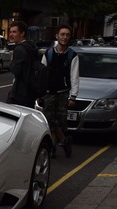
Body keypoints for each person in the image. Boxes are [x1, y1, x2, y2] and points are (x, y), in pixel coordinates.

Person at [40, 24, 79, 158]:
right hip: (49, 93)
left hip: (63, 93)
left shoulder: (72, 55)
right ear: (57, 36)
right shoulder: (48, 53)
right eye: (62, 34)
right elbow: (42, 73)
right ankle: (64, 141)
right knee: (49, 120)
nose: (65, 37)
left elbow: (74, 77)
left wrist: (73, 96)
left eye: (67, 35)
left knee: (60, 121)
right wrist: (40, 92)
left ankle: (53, 148)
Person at [6, 20, 39, 108]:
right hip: (30, 92)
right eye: (10, 32)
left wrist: (12, 59)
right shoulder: (31, 47)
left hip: (19, 93)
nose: (11, 35)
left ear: (22, 33)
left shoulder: (19, 49)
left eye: (14, 32)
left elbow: (15, 70)